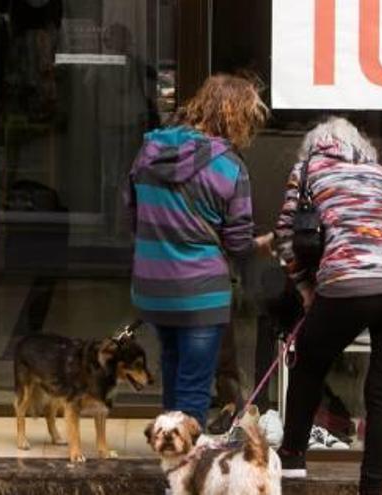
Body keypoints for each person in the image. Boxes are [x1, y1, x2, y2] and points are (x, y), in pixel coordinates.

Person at [274, 117, 382, 495]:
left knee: (309, 363)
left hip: (347, 280)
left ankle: (293, 458)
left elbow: (285, 234)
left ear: (315, 144)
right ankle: (371, 489)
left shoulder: (308, 167)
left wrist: (305, 288)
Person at [125, 74, 270, 428]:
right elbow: (237, 244)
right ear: (236, 117)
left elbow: (133, 215)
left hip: (154, 286)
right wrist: (260, 245)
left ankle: (172, 467)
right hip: (201, 292)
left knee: (174, 377)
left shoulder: (148, 152)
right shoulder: (230, 168)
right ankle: (186, 475)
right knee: (193, 391)